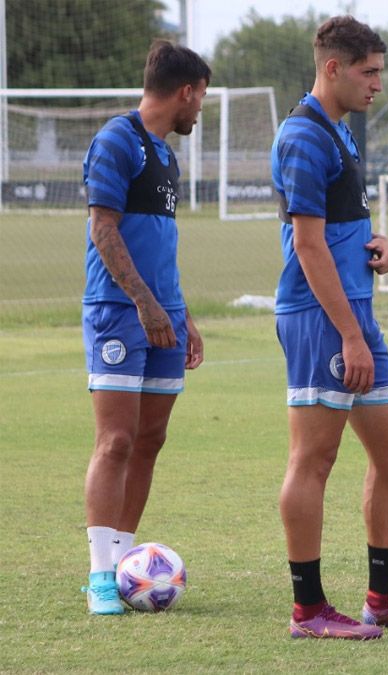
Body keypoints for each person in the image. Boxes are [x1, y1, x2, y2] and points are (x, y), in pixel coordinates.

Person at [272, 15, 388, 640]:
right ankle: (309, 610)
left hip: (356, 316)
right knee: (315, 457)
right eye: (369, 72)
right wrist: (350, 335)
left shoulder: (339, 133)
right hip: (322, 321)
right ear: (333, 67)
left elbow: (335, 230)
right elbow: (307, 246)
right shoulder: (304, 136)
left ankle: (380, 599)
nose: (378, 84)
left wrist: (375, 244)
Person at [80, 40, 210, 616]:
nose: (200, 110)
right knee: (117, 441)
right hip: (118, 312)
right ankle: (100, 577)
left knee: (151, 441)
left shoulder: (166, 154)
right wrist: (144, 305)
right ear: (184, 91)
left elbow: (160, 247)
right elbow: (102, 231)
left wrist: (181, 314)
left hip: (165, 317)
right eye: (200, 97)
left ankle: (130, 562)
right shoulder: (116, 139)